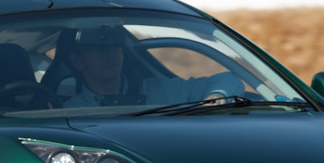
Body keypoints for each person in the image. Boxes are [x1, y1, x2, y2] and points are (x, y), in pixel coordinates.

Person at [64, 26, 244, 108]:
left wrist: (216, 97)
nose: (109, 54)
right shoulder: (72, 111)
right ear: (77, 61)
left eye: (114, 46)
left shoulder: (160, 90)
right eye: (99, 49)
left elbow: (228, 80)